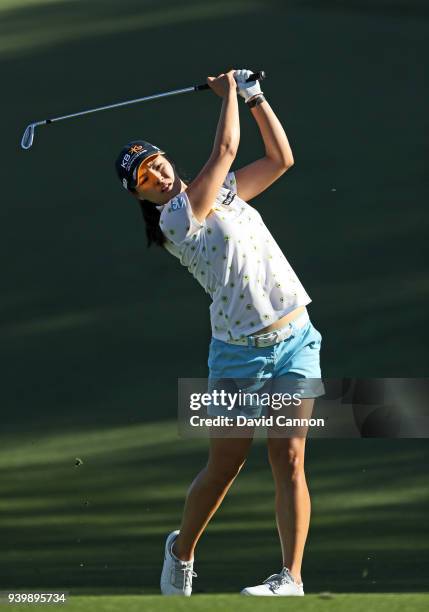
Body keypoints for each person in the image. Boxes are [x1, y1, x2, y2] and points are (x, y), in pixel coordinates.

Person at [115, 69, 323, 596]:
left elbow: (280, 160)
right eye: (144, 178)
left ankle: (292, 578)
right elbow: (226, 148)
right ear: (141, 196)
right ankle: (181, 549)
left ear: (166, 159)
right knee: (225, 466)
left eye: (156, 164)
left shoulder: (225, 195)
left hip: (296, 338)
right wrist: (228, 90)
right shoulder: (176, 221)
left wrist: (255, 97)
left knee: (290, 457)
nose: (157, 176)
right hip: (238, 360)